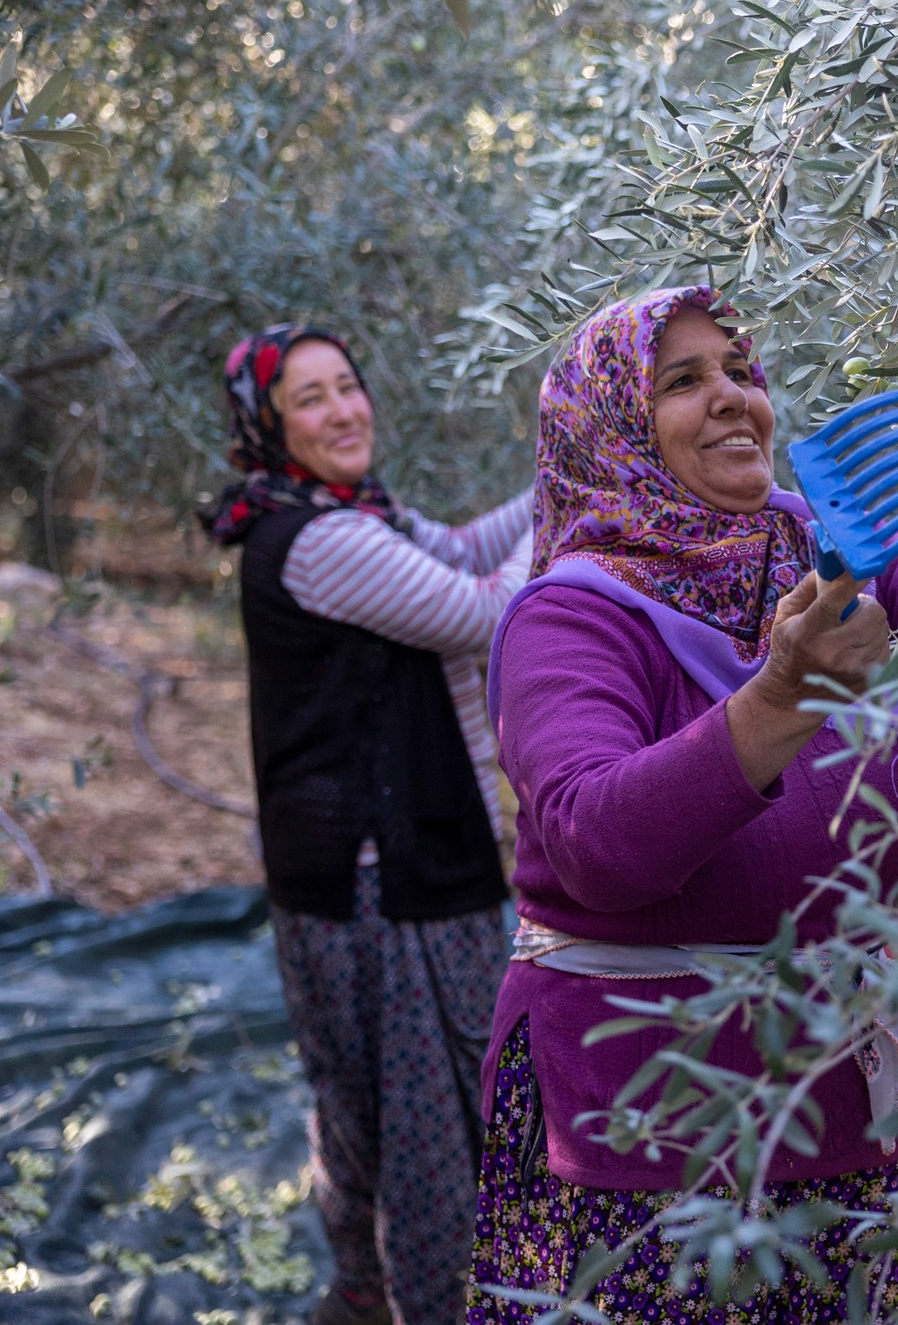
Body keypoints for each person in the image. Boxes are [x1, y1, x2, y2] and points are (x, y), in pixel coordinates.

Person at [466, 287, 898, 1323]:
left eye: (740, 370)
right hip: (657, 1141)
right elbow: (598, 841)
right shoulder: (568, 616)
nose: (730, 398)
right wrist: (783, 696)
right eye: (682, 381)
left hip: (876, 1123)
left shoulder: (828, 545)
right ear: (613, 429)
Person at [205, 324, 532, 1325]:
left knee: (368, 1112)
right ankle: (437, 1304)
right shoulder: (319, 539)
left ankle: (363, 1296)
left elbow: (469, 548)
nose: (344, 410)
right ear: (269, 422)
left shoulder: (349, 512)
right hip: (384, 879)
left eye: (348, 386)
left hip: (364, 870)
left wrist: (571, 461)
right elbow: (486, 608)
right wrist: (591, 489)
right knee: (427, 1124)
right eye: (311, 398)